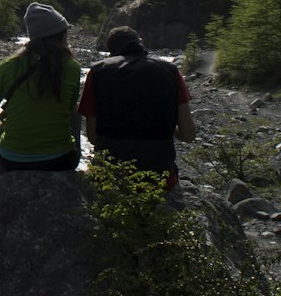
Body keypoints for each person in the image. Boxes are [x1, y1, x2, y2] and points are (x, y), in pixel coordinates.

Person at [78, 26, 196, 188]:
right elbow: (188, 135)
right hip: (160, 179)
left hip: (110, 178)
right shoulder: (170, 70)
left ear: (110, 51)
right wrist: (165, 124)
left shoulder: (97, 72)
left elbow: (92, 137)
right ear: (140, 42)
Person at [0, 2, 83, 172]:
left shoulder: (8, 67)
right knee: (76, 111)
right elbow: (69, 109)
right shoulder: (72, 67)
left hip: (13, 159)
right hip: (62, 160)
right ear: (60, 36)